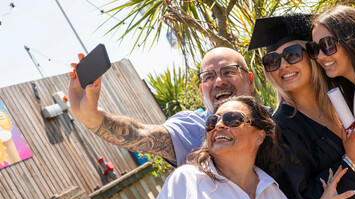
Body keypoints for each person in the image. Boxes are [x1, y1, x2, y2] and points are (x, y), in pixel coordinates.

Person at [144, 95, 355, 199]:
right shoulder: (186, 182)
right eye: (212, 121)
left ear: (260, 135)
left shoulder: (272, 190)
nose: (219, 125)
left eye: (232, 119)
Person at [248, 14, 355, 199]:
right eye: (272, 60)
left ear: (311, 55)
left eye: (292, 54)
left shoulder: (347, 94)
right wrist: (349, 161)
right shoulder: (279, 133)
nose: (283, 65)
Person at [68, 47, 255, 167]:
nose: (219, 82)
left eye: (228, 72)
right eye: (208, 77)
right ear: (201, 90)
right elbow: (139, 133)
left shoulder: (277, 122)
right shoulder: (193, 128)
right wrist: (91, 116)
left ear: (250, 80)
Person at [307, 5, 355, 131]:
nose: (319, 56)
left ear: (350, 40)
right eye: (314, 48)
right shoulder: (351, 94)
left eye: (328, 44)